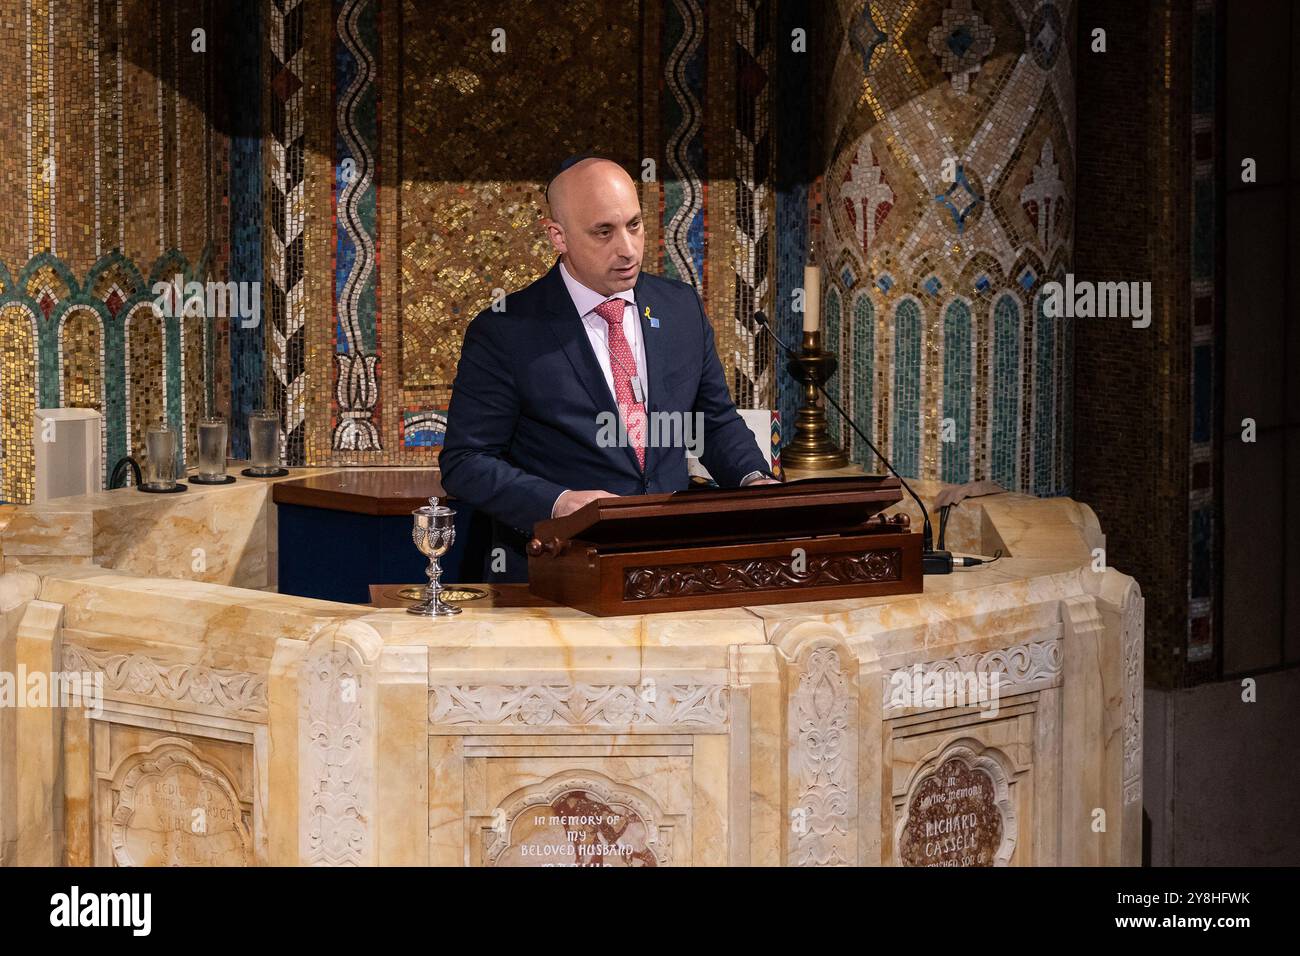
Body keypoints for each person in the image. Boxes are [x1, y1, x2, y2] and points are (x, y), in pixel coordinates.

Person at [440, 156, 777, 582]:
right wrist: (559, 502)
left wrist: (753, 480)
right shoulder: (505, 331)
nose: (628, 249)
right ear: (557, 236)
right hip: (559, 570)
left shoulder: (680, 308)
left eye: (634, 225)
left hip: (670, 563)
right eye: (604, 232)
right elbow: (466, 461)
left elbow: (712, 422)